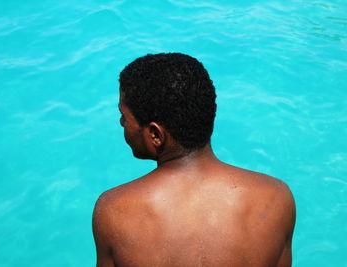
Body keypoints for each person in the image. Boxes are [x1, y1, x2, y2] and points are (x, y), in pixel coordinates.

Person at [92, 53, 296, 267]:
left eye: (124, 116)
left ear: (155, 134)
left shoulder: (115, 210)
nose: (121, 122)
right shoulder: (276, 198)